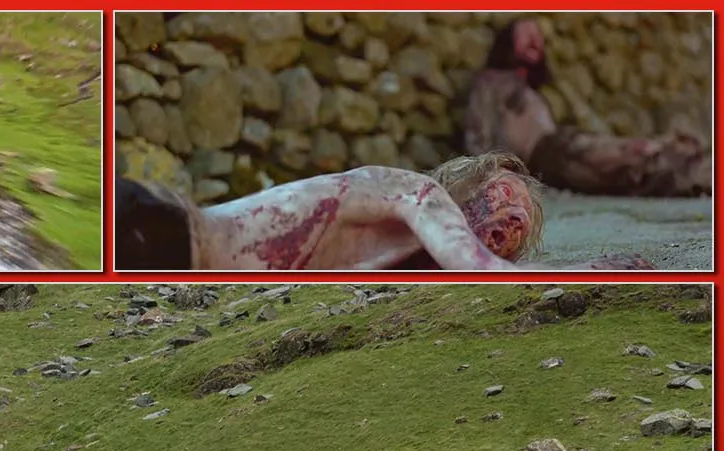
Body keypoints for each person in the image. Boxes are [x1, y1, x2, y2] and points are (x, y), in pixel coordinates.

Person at [115, 155, 653, 271]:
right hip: (159, 232)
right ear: (467, 184)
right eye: (505, 198)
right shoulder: (417, 193)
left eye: (520, 230)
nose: (510, 222)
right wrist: (592, 271)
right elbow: (477, 269)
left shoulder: (401, 257)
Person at [464, 18, 710, 197]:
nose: (535, 40)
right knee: (627, 160)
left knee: (624, 158)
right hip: (546, 153)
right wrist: (493, 175)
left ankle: (690, 165)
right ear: (508, 42)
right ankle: (691, 169)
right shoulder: (492, 82)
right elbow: (479, 132)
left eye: (538, 35)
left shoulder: (536, 91)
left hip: (564, 143)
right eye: (526, 34)